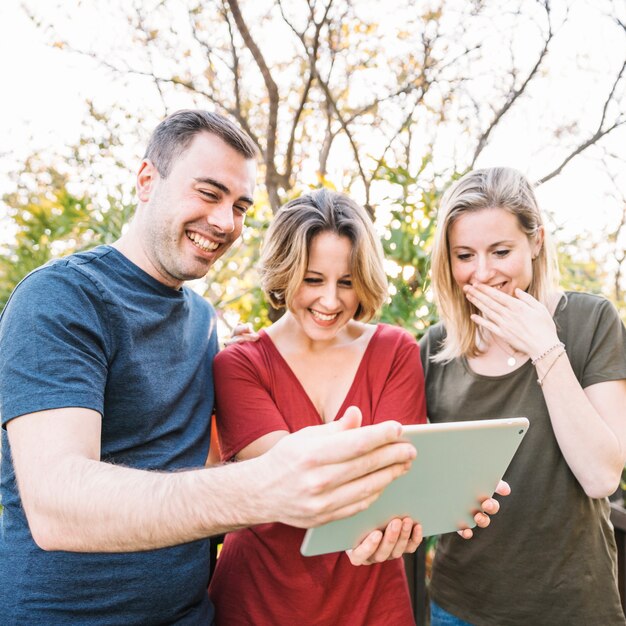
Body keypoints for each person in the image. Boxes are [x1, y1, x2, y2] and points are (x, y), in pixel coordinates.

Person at [0, 110, 422, 625]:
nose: (225, 222)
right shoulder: (62, 298)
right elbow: (57, 505)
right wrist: (263, 485)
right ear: (147, 181)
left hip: (192, 613)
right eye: (208, 193)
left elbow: (195, 463)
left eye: (240, 206)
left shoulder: (201, 321)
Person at [208, 189, 506, 626]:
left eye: (346, 282)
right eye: (313, 280)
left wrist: (452, 492)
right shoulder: (239, 363)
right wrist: (421, 480)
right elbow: (297, 481)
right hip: (260, 597)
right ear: (285, 272)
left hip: (370, 597)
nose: (331, 302)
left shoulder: (394, 351)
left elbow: (397, 476)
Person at [419, 166, 626, 626]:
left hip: (572, 606)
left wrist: (543, 346)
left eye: (500, 251)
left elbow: (601, 477)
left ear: (536, 242)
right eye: (464, 255)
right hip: (459, 605)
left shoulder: (592, 322)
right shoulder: (434, 346)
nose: (482, 273)